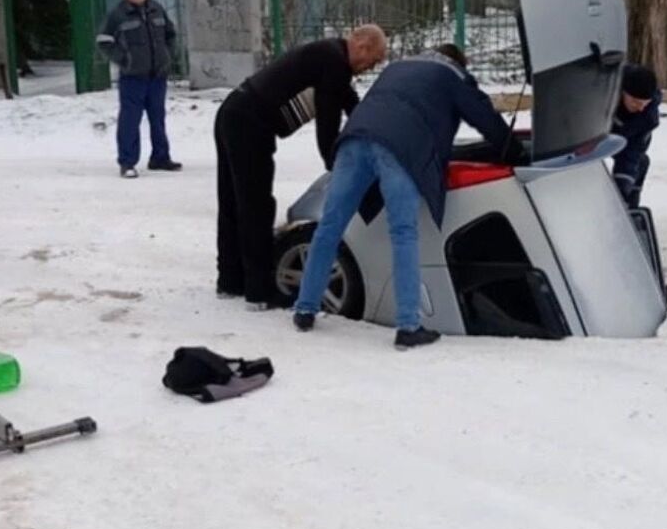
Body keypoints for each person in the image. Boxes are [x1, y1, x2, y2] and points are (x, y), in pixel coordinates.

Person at [293, 44, 526, 350]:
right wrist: (514, 151)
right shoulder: (453, 75)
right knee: (403, 233)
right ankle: (408, 326)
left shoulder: (397, 68)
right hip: (400, 150)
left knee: (330, 227)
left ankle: (305, 308)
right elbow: (483, 117)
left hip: (355, 139)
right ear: (460, 62)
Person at [215, 26, 387, 309]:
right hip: (249, 122)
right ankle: (258, 291)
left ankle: (230, 279)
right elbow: (328, 120)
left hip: (233, 110)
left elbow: (350, 103)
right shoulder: (333, 61)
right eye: (375, 59)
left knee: (234, 200)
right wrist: (336, 166)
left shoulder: (331, 54)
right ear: (362, 46)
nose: (371, 66)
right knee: (255, 203)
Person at [95, 0, 181, 179]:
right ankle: (127, 162)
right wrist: (125, 60)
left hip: (157, 76)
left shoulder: (156, 9)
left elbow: (170, 34)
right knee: (130, 120)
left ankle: (160, 157)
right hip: (133, 78)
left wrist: (167, 56)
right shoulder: (118, 15)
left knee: (158, 118)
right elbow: (104, 41)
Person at [611, 64, 662, 209]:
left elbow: (632, 152)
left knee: (637, 164)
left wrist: (623, 188)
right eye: (635, 102)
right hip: (596, 132)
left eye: (644, 104)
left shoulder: (648, 117)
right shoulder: (604, 95)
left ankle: (630, 206)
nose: (640, 108)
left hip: (625, 138)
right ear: (623, 92)